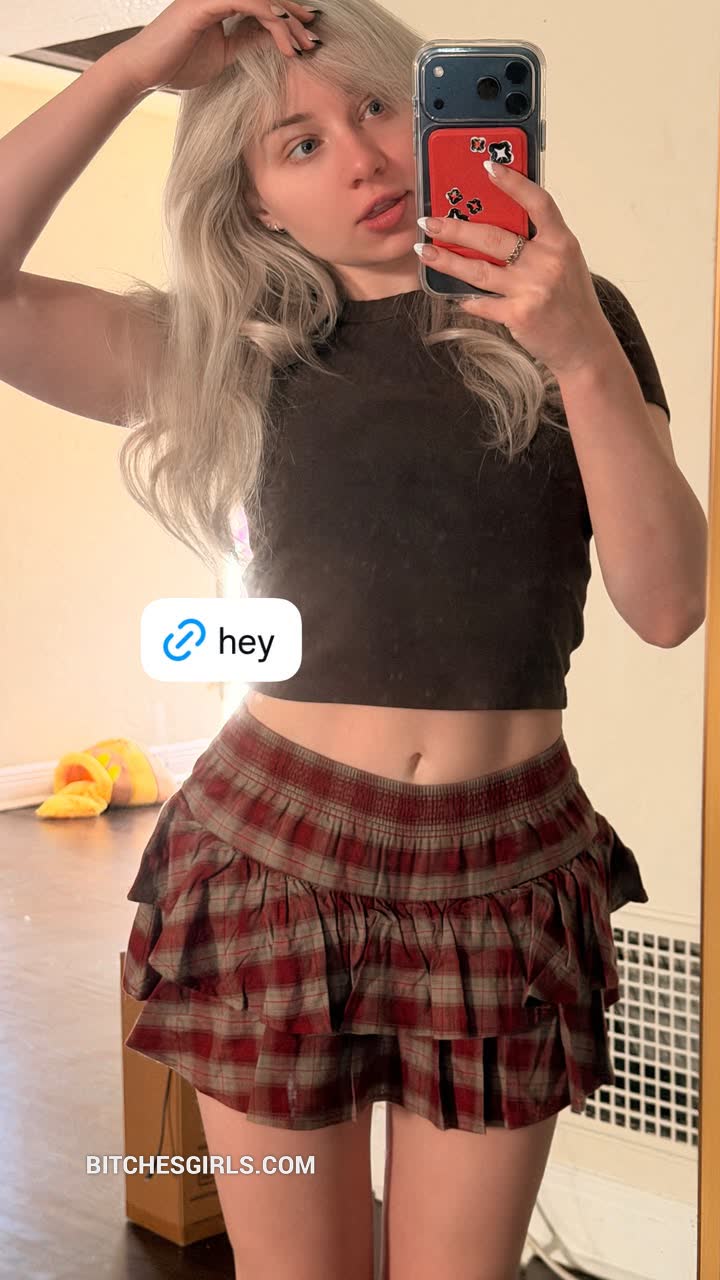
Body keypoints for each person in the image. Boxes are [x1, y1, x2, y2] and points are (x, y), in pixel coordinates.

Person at [0, 1, 702, 1276]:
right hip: (273, 858)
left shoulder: (578, 318)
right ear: (256, 200)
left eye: (379, 105)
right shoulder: (234, 347)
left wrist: (581, 353)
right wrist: (142, 64)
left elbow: (668, 606)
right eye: (301, 143)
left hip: (507, 869)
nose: (367, 159)